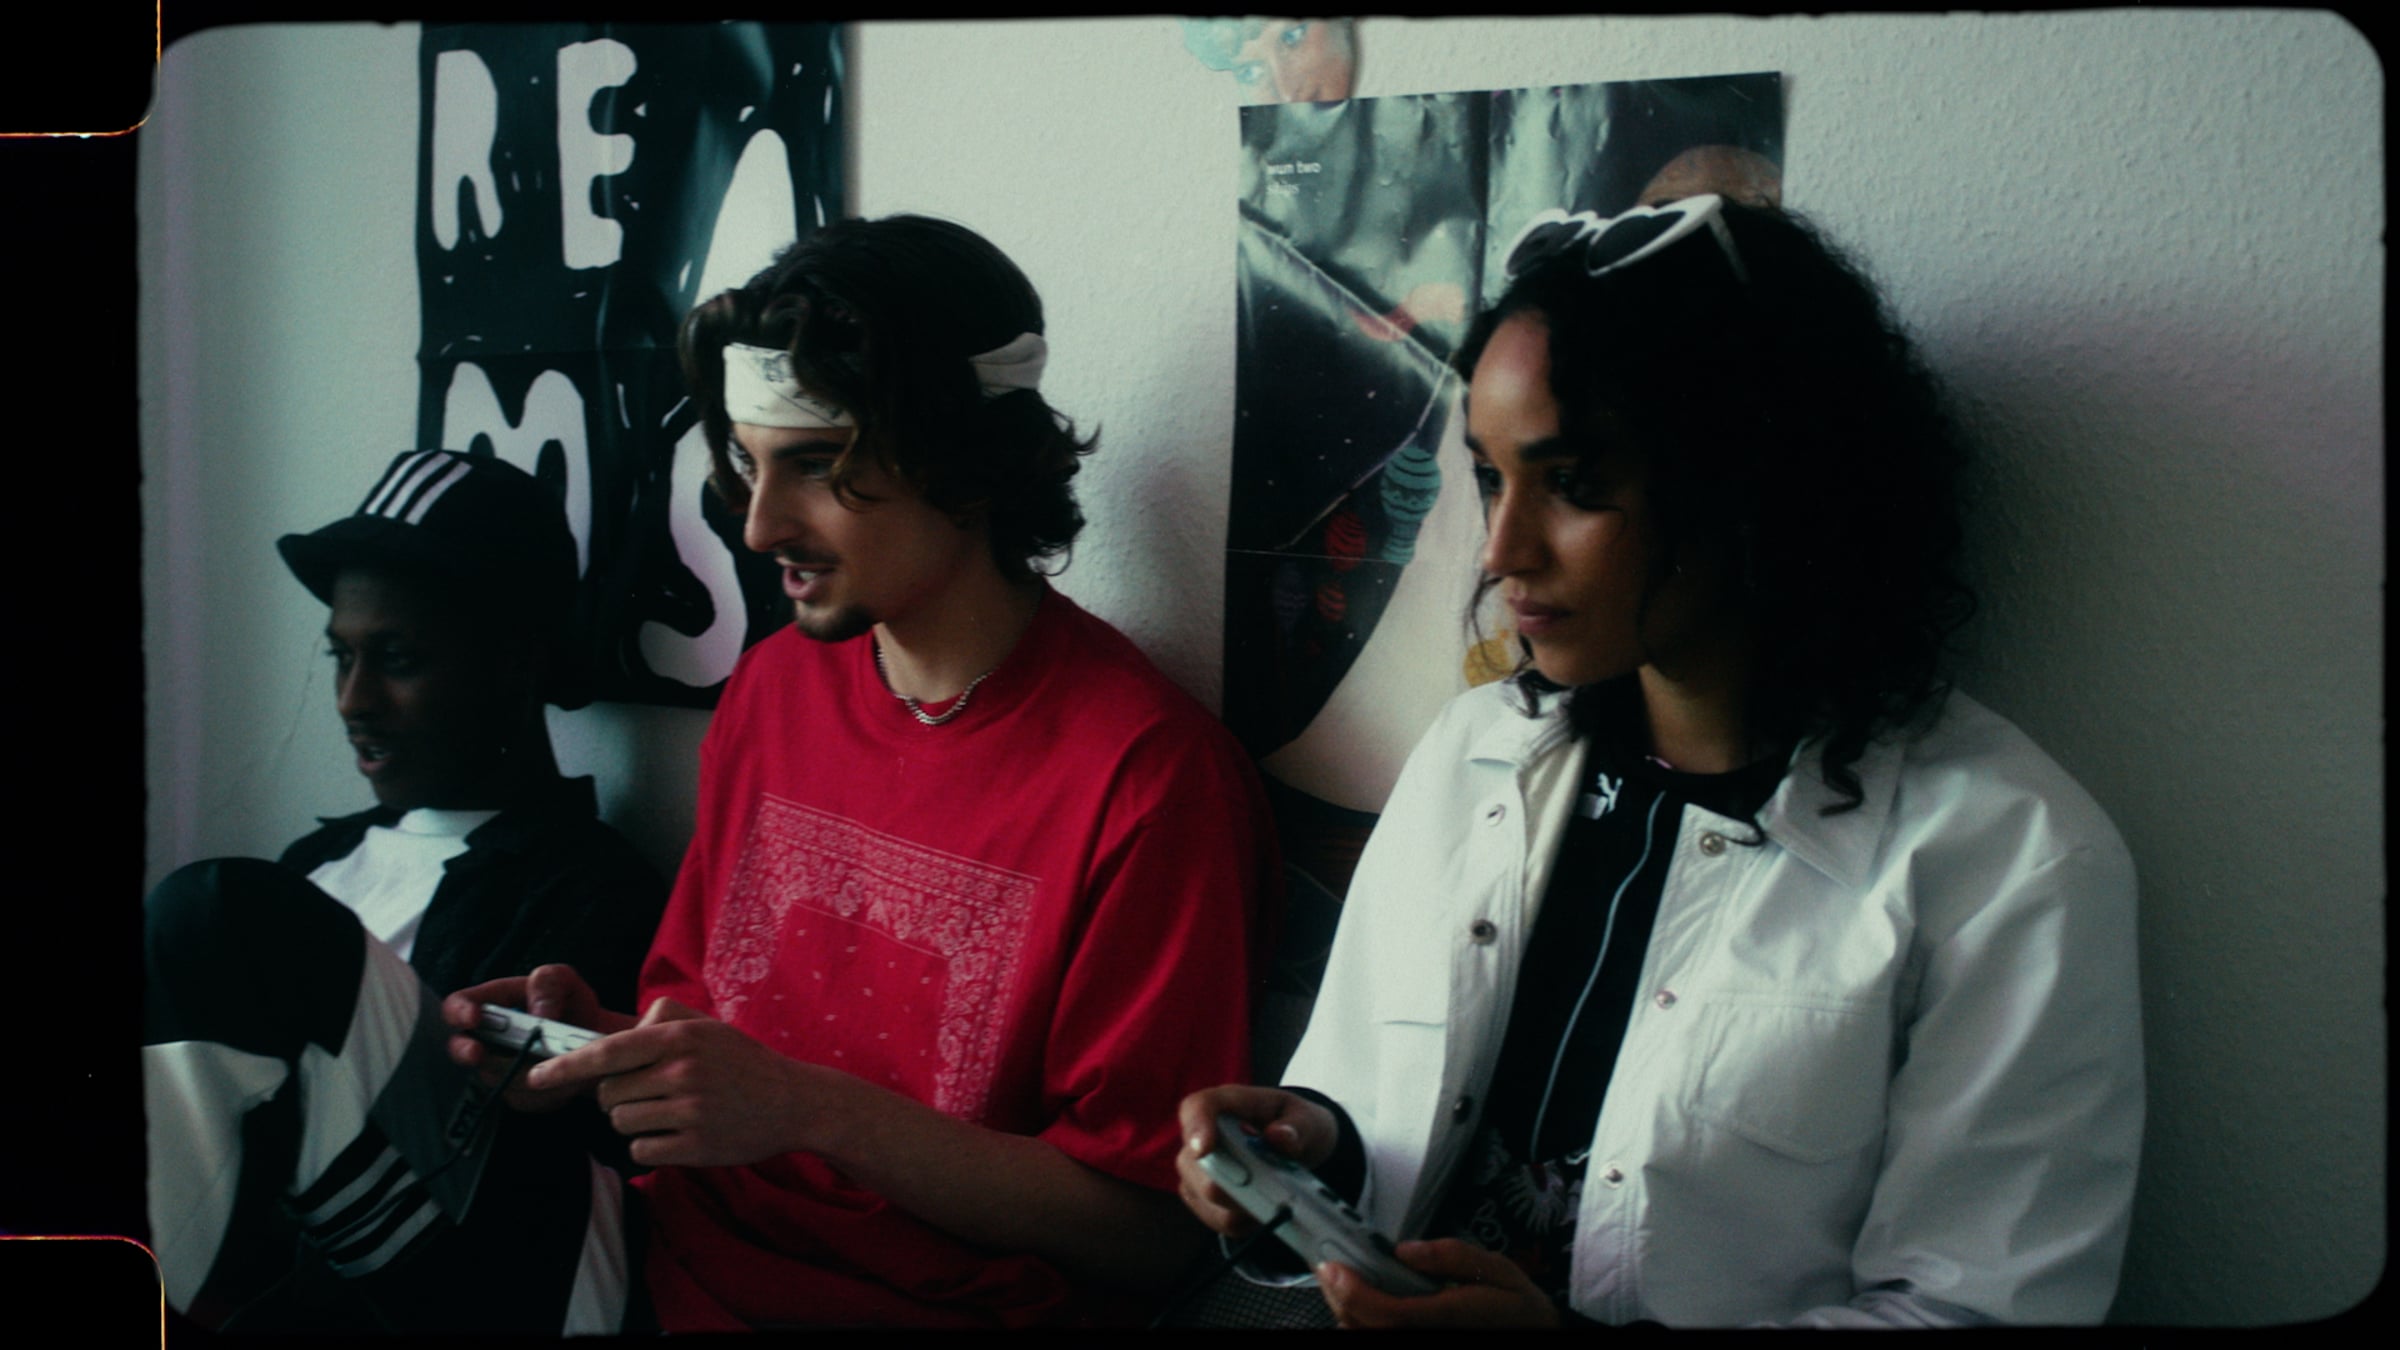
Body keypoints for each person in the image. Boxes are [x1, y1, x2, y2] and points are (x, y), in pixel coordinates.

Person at [1175, 194, 2144, 1328]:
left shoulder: (2009, 859)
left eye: (1574, 484)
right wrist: (1312, 1154)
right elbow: (1378, 1114)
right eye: (1489, 477)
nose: (1501, 550)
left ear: (1754, 484)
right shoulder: (1474, 750)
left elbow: (1978, 1311)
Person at [414, 214, 1262, 1332]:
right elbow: (717, 1031)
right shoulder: (773, 689)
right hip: (657, 1260)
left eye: (816, 465)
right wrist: (602, 1046)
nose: (761, 526)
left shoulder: (1146, 777)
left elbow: (1148, 1231)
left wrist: (809, 1110)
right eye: (748, 464)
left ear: (966, 461)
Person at [144, 449, 668, 1329]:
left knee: (215, 912)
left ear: (516, 663)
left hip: (500, 1282)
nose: (353, 699)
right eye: (341, 657)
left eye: (396, 658)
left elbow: (539, 1155)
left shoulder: (586, 889)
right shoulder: (316, 863)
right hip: (276, 1260)